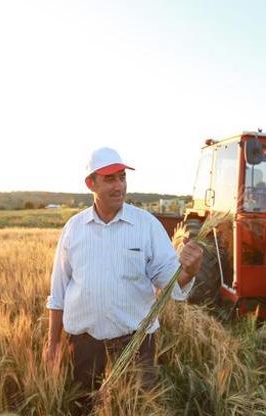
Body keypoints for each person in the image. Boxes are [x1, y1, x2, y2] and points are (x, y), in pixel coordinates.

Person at [42, 147, 204, 412]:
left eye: (122, 177)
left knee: (136, 408)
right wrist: (53, 342)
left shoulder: (146, 225)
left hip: (135, 344)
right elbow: (58, 291)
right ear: (90, 183)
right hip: (83, 345)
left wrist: (189, 271)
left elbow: (170, 280)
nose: (119, 186)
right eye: (110, 179)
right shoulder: (74, 228)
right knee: (83, 407)